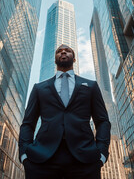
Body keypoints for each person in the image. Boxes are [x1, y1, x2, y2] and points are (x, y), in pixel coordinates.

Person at [19, 44, 111, 179]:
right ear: (55, 58)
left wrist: (102, 154)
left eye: (67, 51)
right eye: (59, 51)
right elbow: (28, 123)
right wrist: (24, 154)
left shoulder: (91, 86)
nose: (63, 52)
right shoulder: (39, 88)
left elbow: (102, 121)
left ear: (74, 59)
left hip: (84, 159)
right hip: (42, 159)